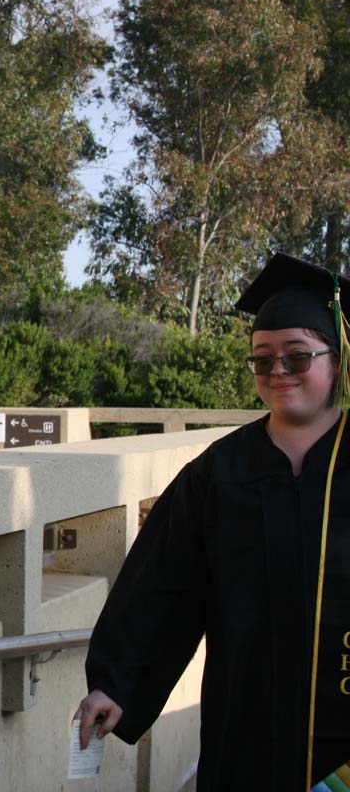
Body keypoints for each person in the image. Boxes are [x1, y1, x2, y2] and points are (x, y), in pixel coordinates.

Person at [76, 253, 350, 791]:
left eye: (297, 358)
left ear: (336, 360)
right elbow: (164, 587)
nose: (277, 372)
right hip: (245, 729)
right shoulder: (218, 475)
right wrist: (115, 684)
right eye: (261, 359)